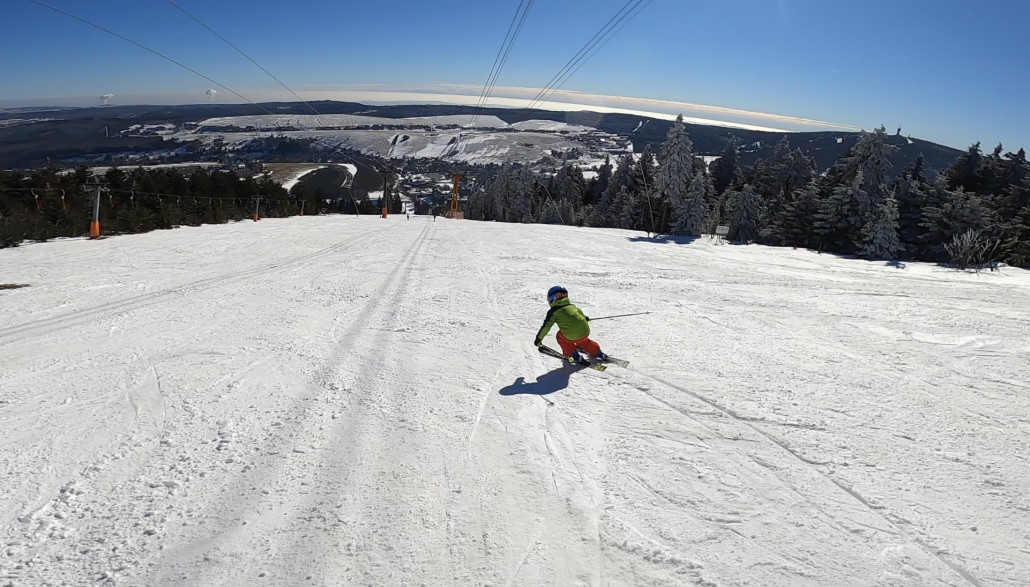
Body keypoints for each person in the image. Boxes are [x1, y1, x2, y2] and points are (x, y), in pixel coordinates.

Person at [534, 286, 609, 363]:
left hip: (572, 336)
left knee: (560, 336)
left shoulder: (553, 311)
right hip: (585, 331)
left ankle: (573, 355)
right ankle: (598, 352)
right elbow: (581, 315)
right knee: (584, 341)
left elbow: (546, 326)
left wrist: (539, 339)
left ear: (553, 298)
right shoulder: (572, 306)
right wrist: (586, 318)